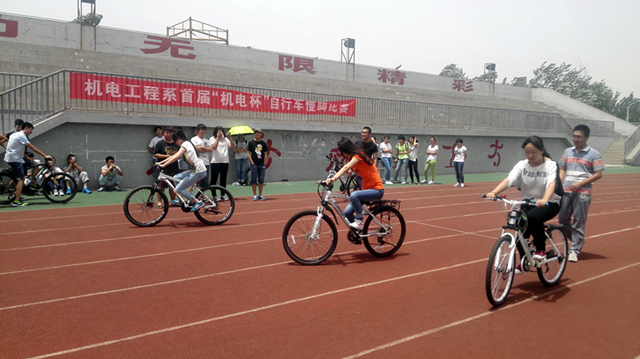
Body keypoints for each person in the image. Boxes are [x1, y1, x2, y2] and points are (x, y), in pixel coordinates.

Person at [486, 136, 562, 274]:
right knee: (518, 228)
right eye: (527, 152)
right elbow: (510, 179)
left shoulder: (551, 165)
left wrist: (545, 199)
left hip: (550, 203)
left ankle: (541, 249)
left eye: (534, 152)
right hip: (528, 202)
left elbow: (552, 184)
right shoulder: (522, 164)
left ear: (542, 150)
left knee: (533, 218)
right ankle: (524, 261)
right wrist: (494, 192)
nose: (530, 155)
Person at [558, 124, 605, 262]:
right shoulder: (567, 151)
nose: (576, 139)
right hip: (566, 190)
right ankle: (577, 240)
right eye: (574, 136)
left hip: (582, 192)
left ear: (587, 137)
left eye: (579, 137)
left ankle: (574, 250)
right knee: (562, 220)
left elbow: (598, 174)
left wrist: (580, 183)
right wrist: (559, 184)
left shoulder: (594, 154)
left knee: (579, 221)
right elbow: (563, 169)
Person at [325, 137, 384, 230]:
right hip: (365, 190)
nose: (344, 155)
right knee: (347, 213)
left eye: (344, 152)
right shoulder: (351, 158)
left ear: (348, 150)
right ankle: (359, 233)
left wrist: (334, 178)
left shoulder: (358, 155)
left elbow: (345, 167)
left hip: (376, 189)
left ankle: (360, 221)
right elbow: (347, 167)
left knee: (354, 195)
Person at [3, 122, 52, 206]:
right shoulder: (22, 136)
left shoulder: (15, 134)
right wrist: (45, 155)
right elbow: (32, 147)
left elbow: (16, 148)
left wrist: (26, 156)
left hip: (15, 157)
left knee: (35, 163)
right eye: (31, 129)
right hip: (15, 159)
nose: (31, 132)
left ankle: (33, 184)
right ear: (26, 128)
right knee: (21, 179)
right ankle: (16, 201)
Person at [157, 130, 207, 211]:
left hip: (199, 171)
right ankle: (181, 199)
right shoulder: (186, 144)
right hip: (194, 170)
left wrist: (164, 165)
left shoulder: (185, 144)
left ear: (179, 138)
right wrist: (160, 162)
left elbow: (176, 156)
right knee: (176, 177)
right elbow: (173, 156)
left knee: (178, 189)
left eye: (175, 140)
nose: (176, 142)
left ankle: (197, 201)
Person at [153, 126, 181, 204]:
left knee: (173, 187)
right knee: (161, 187)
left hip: (174, 168)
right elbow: (155, 154)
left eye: (170, 133)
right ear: (163, 133)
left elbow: (180, 154)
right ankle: (159, 202)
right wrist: (166, 156)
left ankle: (173, 201)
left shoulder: (176, 144)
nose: (168, 134)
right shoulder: (160, 143)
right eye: (167, 133)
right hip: (163, 169)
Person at [209, 126, 236, 199]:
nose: (220, 133)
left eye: (221, 132)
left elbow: (233, 146)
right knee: (214, 179)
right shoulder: (212, 138)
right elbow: (214, 147)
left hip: (225, 161)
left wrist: (230, 138)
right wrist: (217, 138)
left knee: (223, 179)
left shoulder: (226, 139)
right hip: (215, 162)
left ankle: (222, 195)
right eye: (218, 132)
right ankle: (214, 195)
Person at [247, 128, 270, 201]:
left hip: (261, 164)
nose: (257, 134)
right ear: (254, 134)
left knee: (261, 180)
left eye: (259, 133)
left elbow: (265, 153)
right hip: (254, 164)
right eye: (256, 133)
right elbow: (248, 153)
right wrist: (252, 162)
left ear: (261, 134)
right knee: (253, 180)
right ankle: (254, 195)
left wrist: (264, 162)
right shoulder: (251, 143)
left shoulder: (263, 143)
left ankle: (260, 194)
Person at [191, 124, 212, 189]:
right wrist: (205, 148)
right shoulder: (194, 139)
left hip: (206, 163)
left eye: (204, 130)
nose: (203, 131)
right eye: (201, 130)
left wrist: (201, 147)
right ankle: (189, 197)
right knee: (193, 181)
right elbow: (196, 149)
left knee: (204, 183)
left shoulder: (207, 141)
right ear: (198, 131)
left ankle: (201, 197)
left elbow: (210, 149)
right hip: (196, 163)